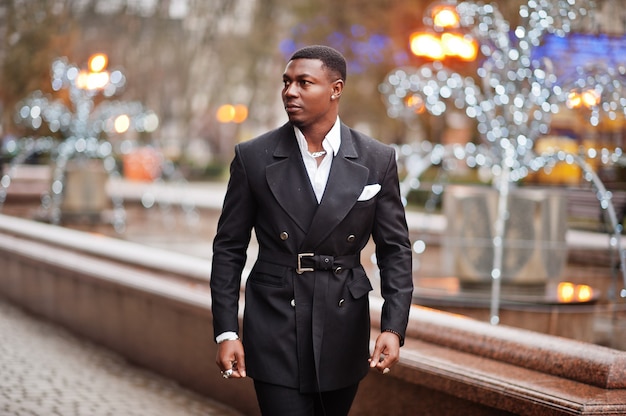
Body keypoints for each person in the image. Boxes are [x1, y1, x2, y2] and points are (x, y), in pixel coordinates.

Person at [210, 44, 413, 416]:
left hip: (343, 323)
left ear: (336, 89)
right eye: (286, 82)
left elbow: (395, 249)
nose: (290, 92)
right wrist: (226, 332)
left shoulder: (376, 158)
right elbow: (228, 249)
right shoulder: (253, 157)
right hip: (275, 321)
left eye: (304, 83)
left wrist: (393, 326)